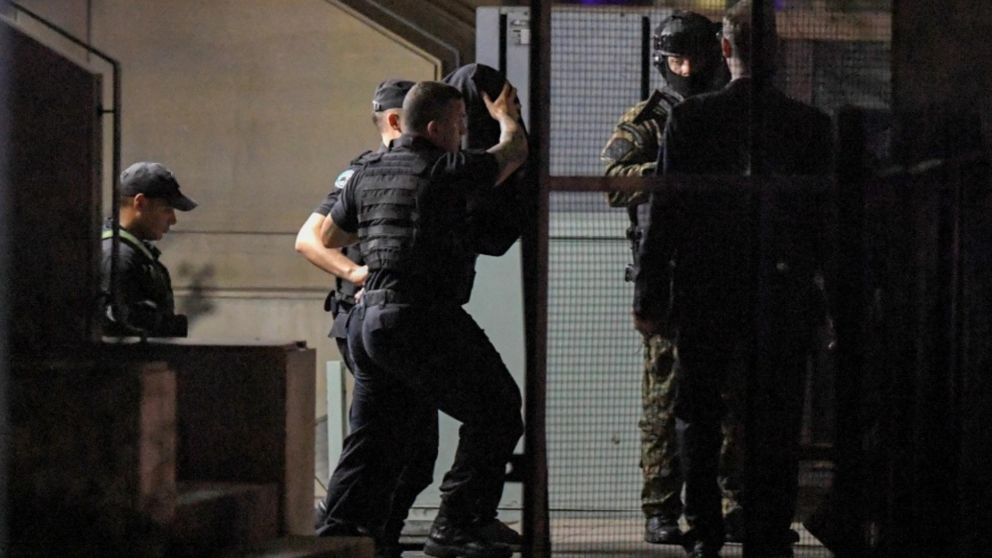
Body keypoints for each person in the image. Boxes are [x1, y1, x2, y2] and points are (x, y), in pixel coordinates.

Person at [633, 1, 833, 556]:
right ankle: (768, 529)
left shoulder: (690, 120)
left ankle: (703, 528)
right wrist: (837, 301)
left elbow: (664, 212)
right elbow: (828, 227)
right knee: (776, 418)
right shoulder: (811, 126)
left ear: (726, 50)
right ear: (781, 54)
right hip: (783, 293)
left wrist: (650, 292)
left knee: (697, 414)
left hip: (705, 290)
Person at [317, 80, 528, 558]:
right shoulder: (446, 169)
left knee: (372, 439)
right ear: (434, 128)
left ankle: (341, 538)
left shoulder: (366, 171)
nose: (462, 134)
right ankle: (457, 522)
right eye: (458, 125)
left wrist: (376, 240)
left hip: (368, 323)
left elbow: (329, 235)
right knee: (497, 409)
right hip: (422, 316)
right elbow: (513, 152)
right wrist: (504, 114)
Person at [599, 11, 736, 546]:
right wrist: (669, 171)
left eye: (694, 58)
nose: (685, 68)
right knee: (664, 398)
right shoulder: (649, 117)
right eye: (676, 58)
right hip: (668, 273)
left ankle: (731, 502)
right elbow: (612, 182)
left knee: (732, 397)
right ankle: (660, 508)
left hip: (726, 268)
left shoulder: (731, 114)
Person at [100, 161, 197, 337]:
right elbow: (117, 332)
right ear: (140, 203)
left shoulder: (127, 252)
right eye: (167, 209)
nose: (173, 220)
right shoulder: (118, 257)